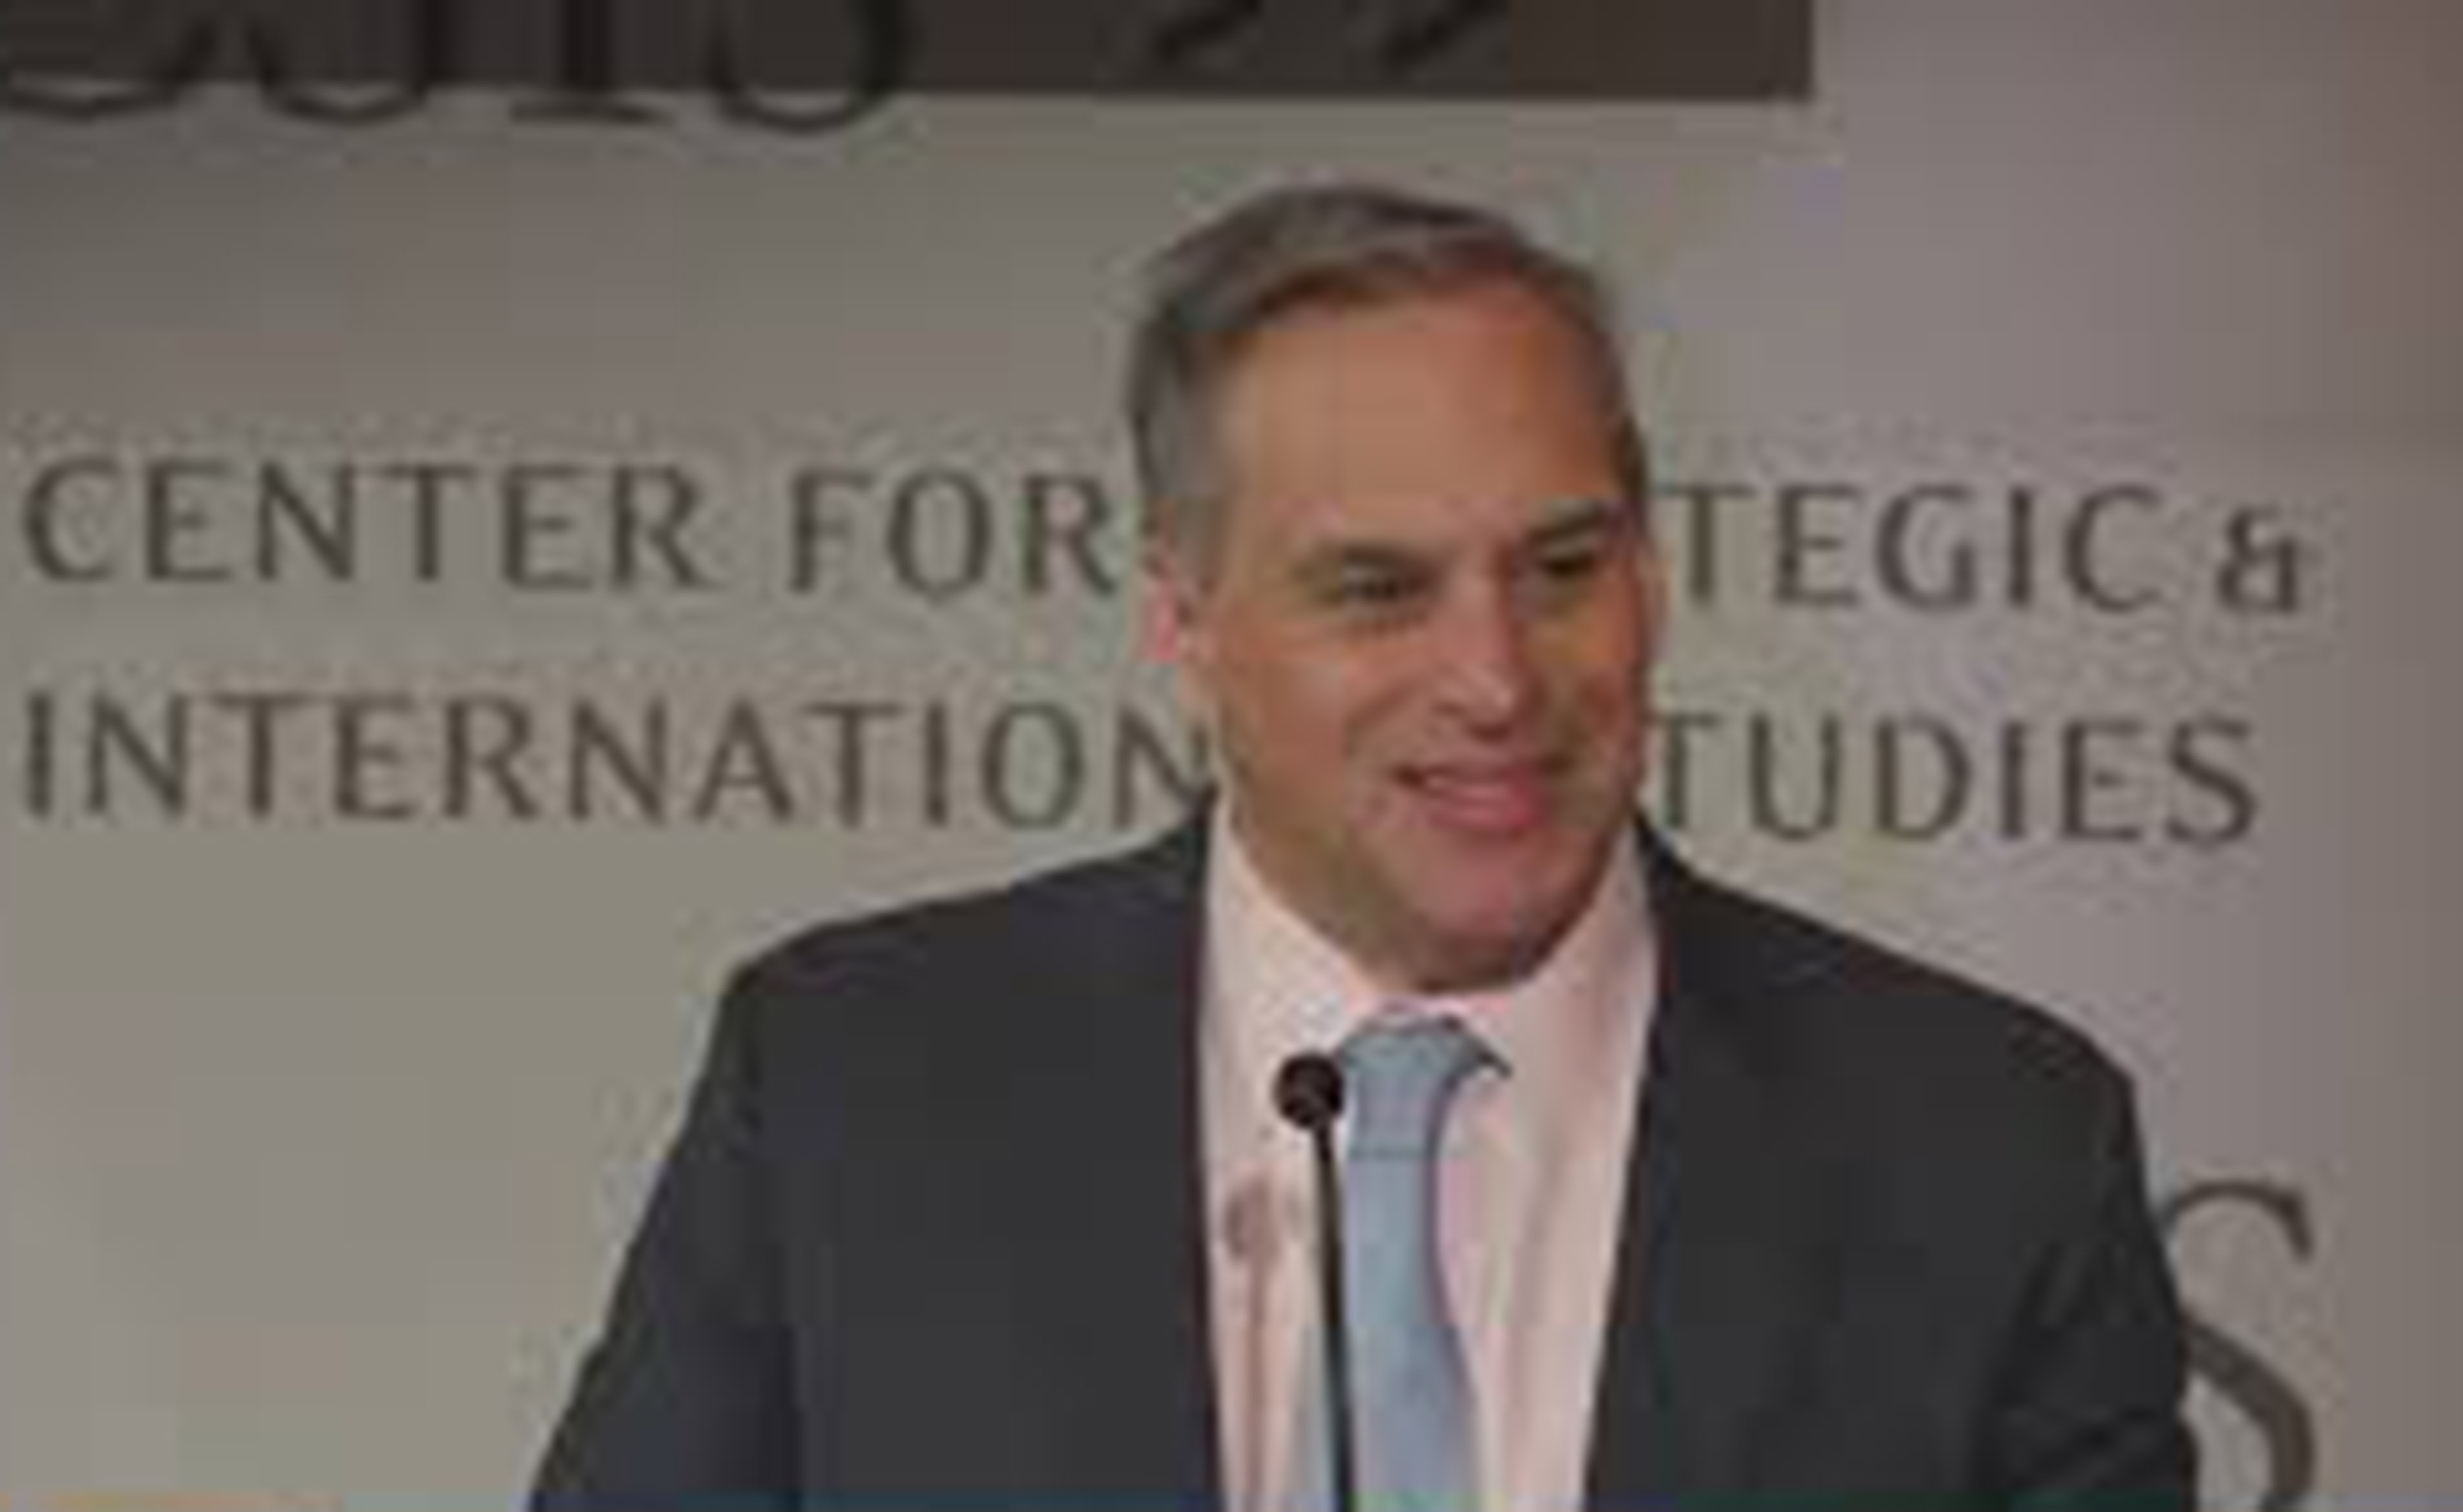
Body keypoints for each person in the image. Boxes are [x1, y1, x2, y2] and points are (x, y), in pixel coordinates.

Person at [532, 182, 2196, 1512]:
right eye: (1378, 590)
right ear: (1183, 617)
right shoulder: (851, 1090)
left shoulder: (1986, 1153)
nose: (1495, 681)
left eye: (1562, 568)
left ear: (1650, 567)